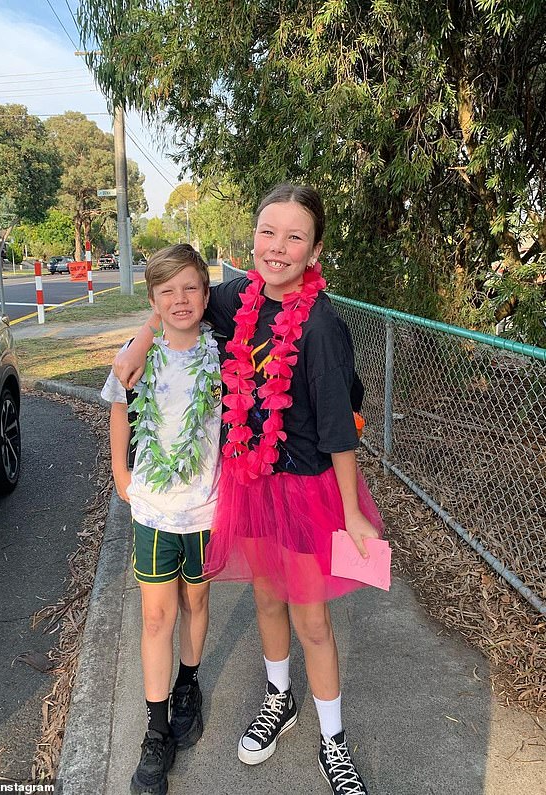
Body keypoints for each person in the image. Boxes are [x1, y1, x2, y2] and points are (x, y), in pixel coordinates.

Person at [114, 185, 383, 795]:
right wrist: (140, 339)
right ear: (253, 237)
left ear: (314, 252)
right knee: (266, 602)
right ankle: (278, 698)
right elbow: (177, 304)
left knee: (311, 619)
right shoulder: (236, 297)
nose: (278, 247)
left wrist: (351, 512)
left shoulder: (321, 326)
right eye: (268, 232)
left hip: (309, 485)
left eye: (295, 237)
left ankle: (333, 743)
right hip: (250, 481)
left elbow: (341, 429)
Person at [101, 243, 222, 795]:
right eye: (166, 291)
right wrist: (121, 475)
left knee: (195, 601)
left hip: (205, 507)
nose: (180, 300)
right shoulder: (137, 353)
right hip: (153, 507)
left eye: (190, 288)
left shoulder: (222, 355)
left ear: (206, 293)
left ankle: (188, 684)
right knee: (156, 616)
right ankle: (155, 730)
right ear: (152, 300)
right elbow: (120, 408)